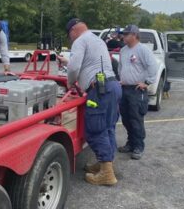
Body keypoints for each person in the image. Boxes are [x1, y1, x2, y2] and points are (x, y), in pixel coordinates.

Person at [57, 18, 122, 186]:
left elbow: (74, 68)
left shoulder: (79, 40)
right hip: (113, 86)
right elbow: (89, 63)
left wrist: (70, 82)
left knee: (95, 129)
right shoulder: (97, 40)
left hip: (100, 90)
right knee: (108, 128)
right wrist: (68, 62)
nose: (71, 39)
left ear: (73, 31)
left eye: (69, 36)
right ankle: (104, 164)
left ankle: (107, 174)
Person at [117, 25, 158, 160]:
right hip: (124, 88)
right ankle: (130, 143)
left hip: (136, 90)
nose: (123, 36)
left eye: (126, 34)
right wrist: (121, 79)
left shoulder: (142, 50)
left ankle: (139, 146)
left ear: (134, 35)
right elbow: (121, 67)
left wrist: (146, 83)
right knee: (126, 118)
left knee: (136, 119)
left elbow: (153, 66)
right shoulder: (123, 50)